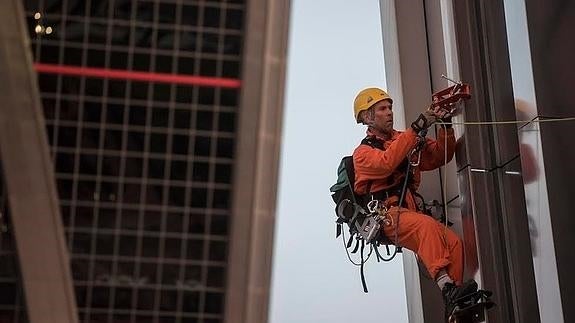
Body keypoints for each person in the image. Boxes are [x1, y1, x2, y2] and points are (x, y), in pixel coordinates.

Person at [351, 87, 477, 318]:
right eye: (382, 109)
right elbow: (386, 163)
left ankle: (456, 303)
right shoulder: (362, 153)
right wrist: (417, 128)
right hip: (386, 216)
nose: (389, 112)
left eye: (390, 107)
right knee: (425, 226)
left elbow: (440, 155)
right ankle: (448, 288)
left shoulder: (403, 139)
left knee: (454, 243)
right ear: (367, 117)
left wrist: (446, 125)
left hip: (407, 213)